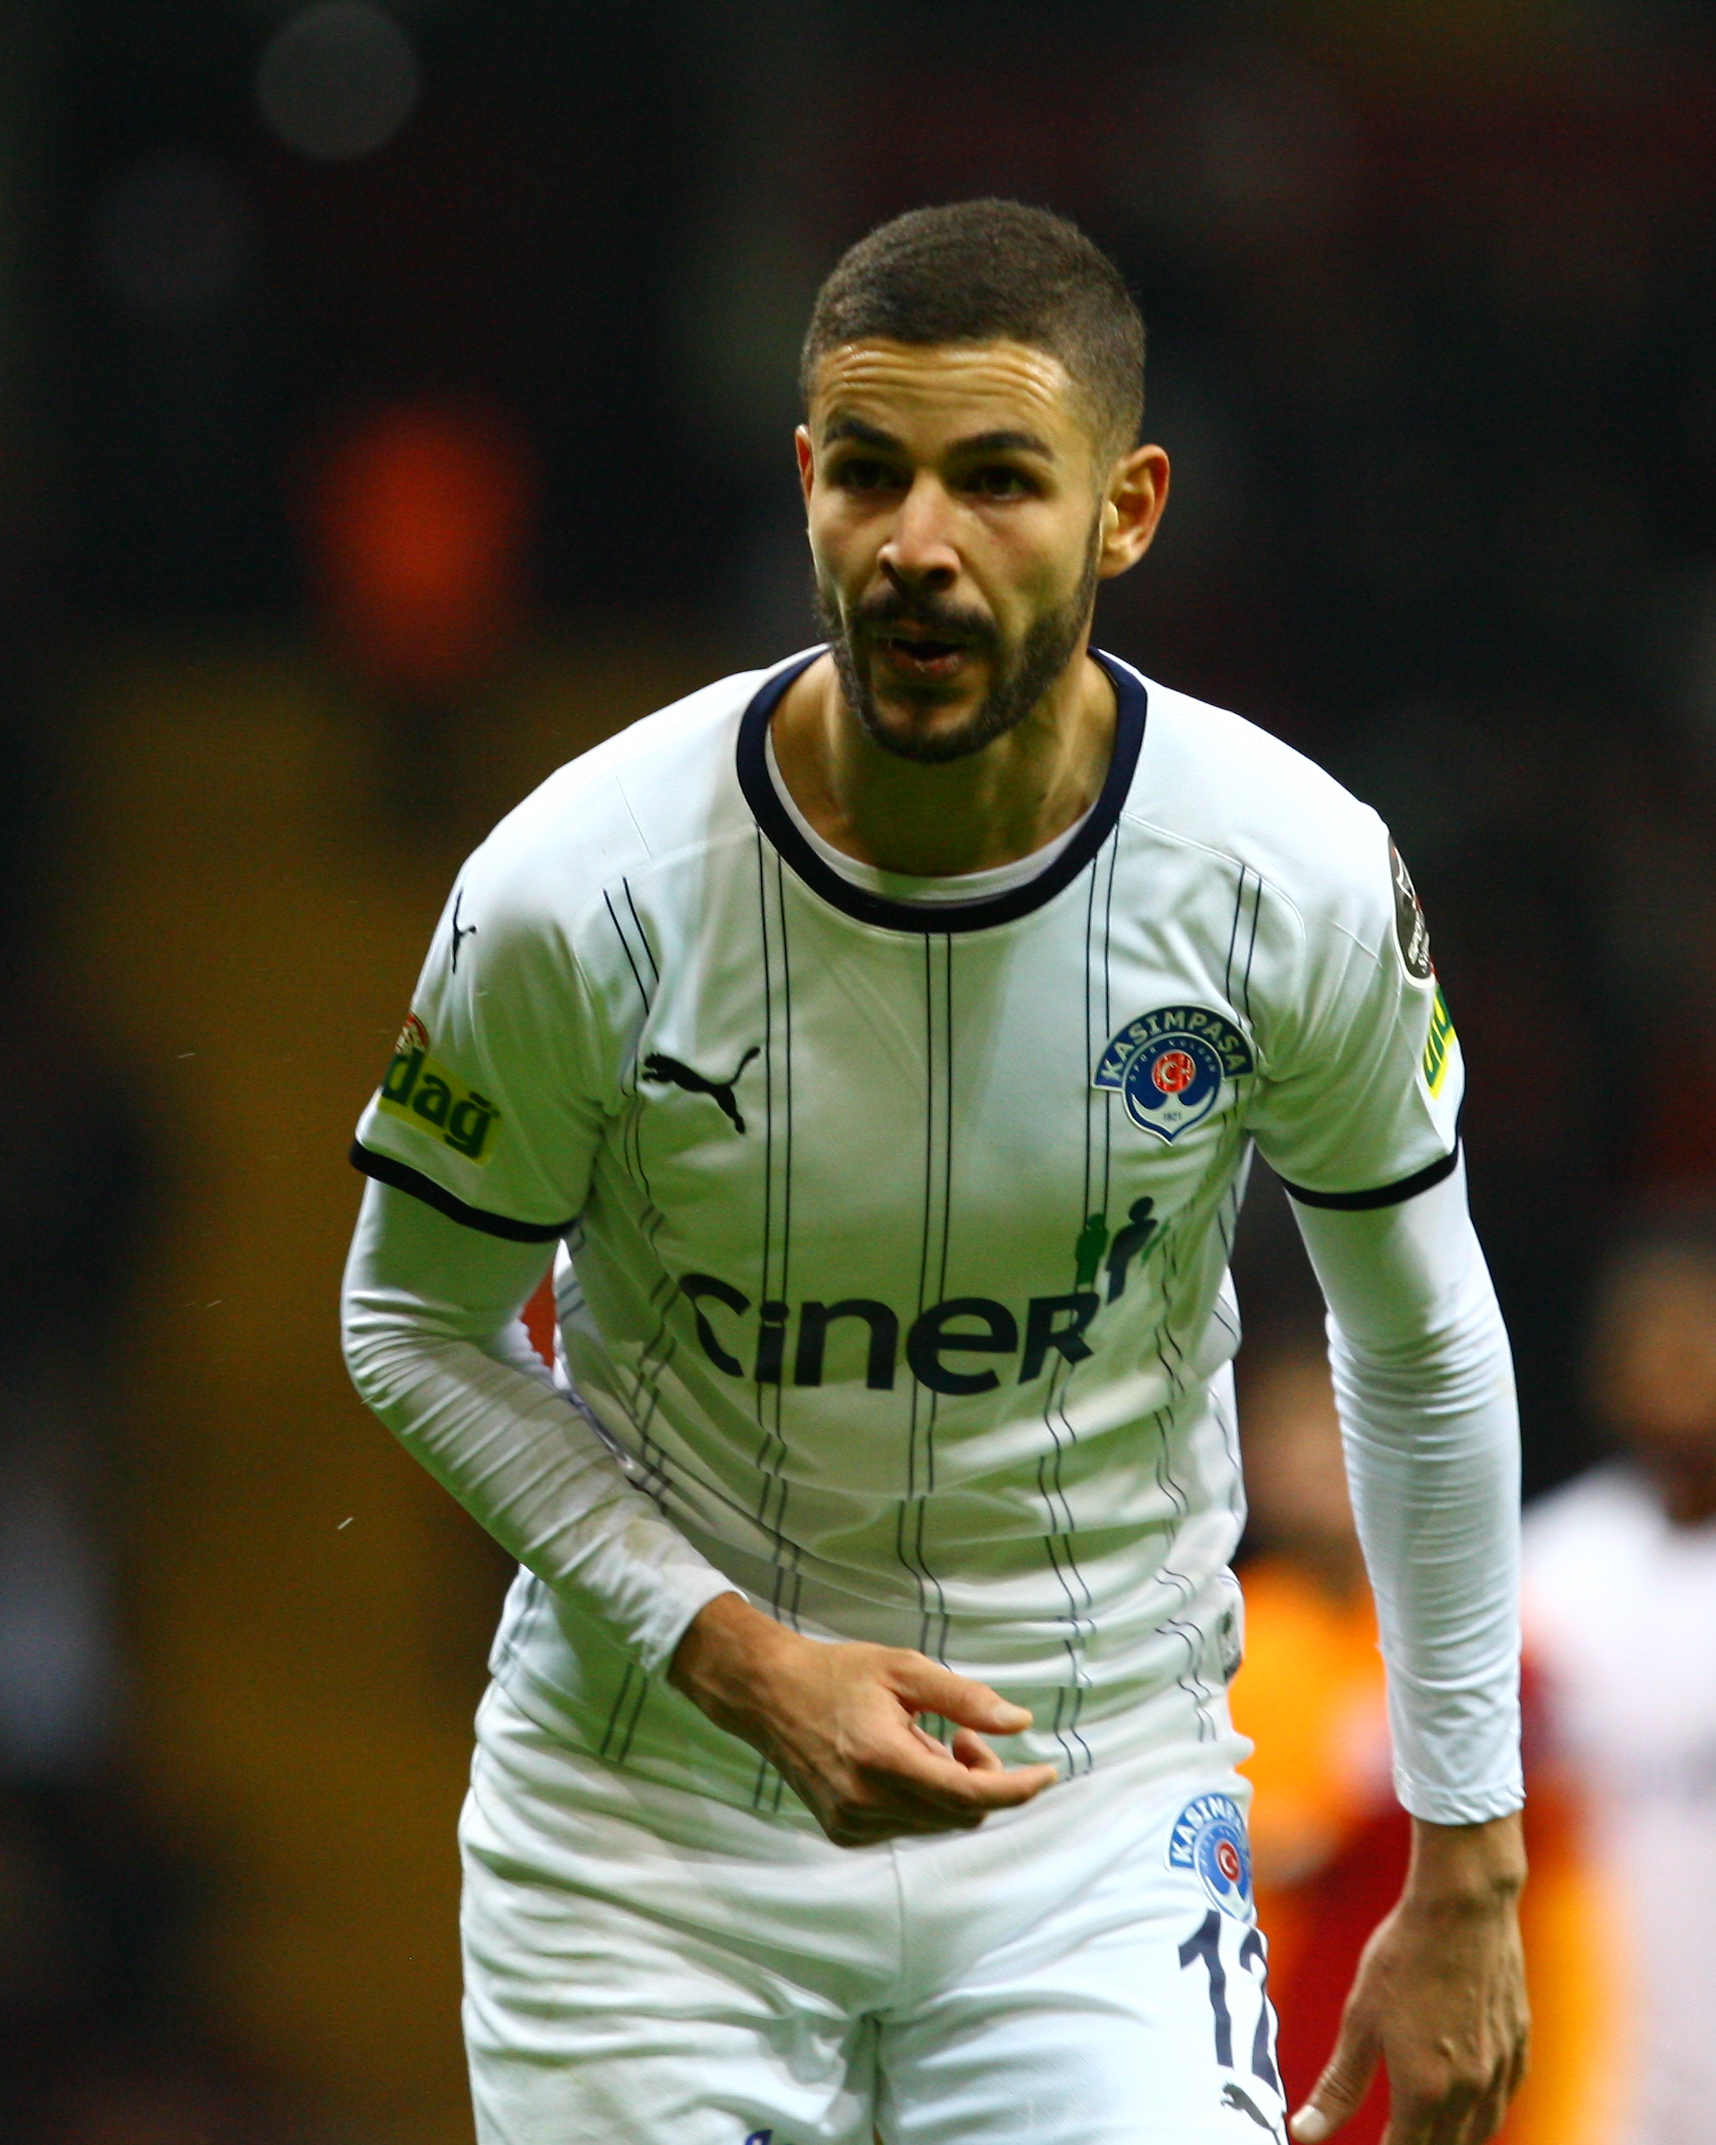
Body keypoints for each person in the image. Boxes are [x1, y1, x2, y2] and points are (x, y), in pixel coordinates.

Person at [340, 200, 1528, 2145]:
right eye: (870, 473)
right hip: (649, 1837)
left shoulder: (1285, 874)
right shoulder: (577, 888)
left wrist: (1467, 1855)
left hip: (1096, 1816)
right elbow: (411, 1318)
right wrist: (739, 1657)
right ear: (806, 481)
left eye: (996, 480)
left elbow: (1421, 1339)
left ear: (1127, 509)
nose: (918, 540)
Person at [1234, 1334, 1604, 2145]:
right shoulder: (1221, 1642)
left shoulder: (1479, 1644)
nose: (1313, 1460)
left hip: (1452, 2034)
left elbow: (1557, 1881)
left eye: (1336, 1430)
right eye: (1286, 1434)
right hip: (1270, 2040)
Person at [1523, 1209, 1716, 2145]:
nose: (1672, 1364)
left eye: (1695, 1335)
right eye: (1647, 1338)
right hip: (1594, 2052)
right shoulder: (1547, 1565)